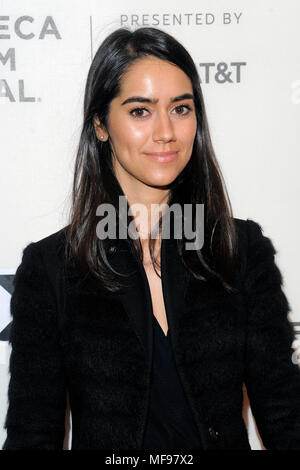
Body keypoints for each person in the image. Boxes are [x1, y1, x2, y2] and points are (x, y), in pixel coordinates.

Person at [2, 26, 300, 451]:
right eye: (140, 111)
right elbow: (33, 434)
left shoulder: (241, 250)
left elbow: (286, 415)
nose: (166, 132)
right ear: (101, 125)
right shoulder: (52, 268)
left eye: (180, 109)